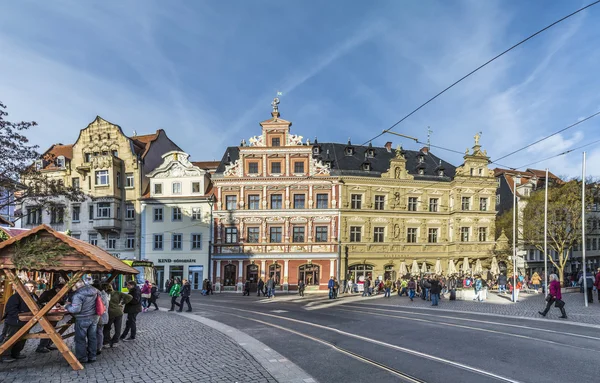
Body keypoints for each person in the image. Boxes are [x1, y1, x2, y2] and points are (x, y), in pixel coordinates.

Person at [64, 279, 99, 364]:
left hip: (82, 318)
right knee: (92, 337)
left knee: (80, 339)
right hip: (94, 317)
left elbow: (75, 309)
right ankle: (92, 356)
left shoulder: (78, 295)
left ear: (75, 286)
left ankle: (82, 358)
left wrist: (67, 306)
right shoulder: (95, 290)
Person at [1, 281, 37, 362]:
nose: (32, 288)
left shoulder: (34, 296)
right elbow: (10, 310)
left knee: (22, 338)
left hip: (26, 321)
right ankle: (4, 355)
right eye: (30, 286)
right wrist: (21, 316)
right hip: (14, 321)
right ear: (24, 287)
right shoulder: (16, 297)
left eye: (34, 287)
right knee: (9, 338)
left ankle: (16, 353)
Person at [35, 283, 65, 353]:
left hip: (54, 313)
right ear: (57, 288)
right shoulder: (47, 293)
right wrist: (50, 304)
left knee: (51, 328)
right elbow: (39, 303)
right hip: (47, 313)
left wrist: (62, 304)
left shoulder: (60, 293)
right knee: (48, 329)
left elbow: (61, 302)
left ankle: (47, 344)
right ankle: (41, 346)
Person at [103, 283, 132, 348]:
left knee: (107, 328)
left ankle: (106, 342)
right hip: (118, 312)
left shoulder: (104, 294)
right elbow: (130, 297)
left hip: (109, 313)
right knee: (118, 328)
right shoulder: (117, 293)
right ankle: (115, 342)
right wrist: (122, 303)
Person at [92, 281, 109, 355]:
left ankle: (98, 347)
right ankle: (98, 347)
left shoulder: (99, 295)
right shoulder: (103, 294)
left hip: (100, 317)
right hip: (102, 316)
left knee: (98, 332)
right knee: (99, 332)